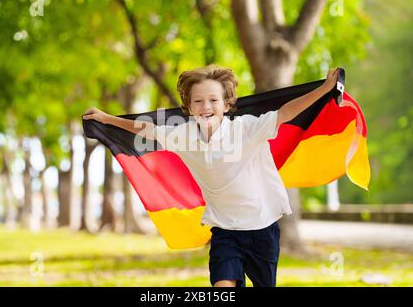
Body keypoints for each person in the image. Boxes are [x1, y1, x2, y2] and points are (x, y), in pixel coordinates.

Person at [83, 64, 339, 287]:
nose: (206, 107)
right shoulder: (182, 135)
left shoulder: (246, 129)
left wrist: (326, 88)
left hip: (262, 229)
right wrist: (108, 119)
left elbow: (285, 113)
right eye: (198, 101)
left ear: (227, 105)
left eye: (213, 101)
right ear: (189, 107)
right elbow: (147, 130)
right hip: (225, 231)